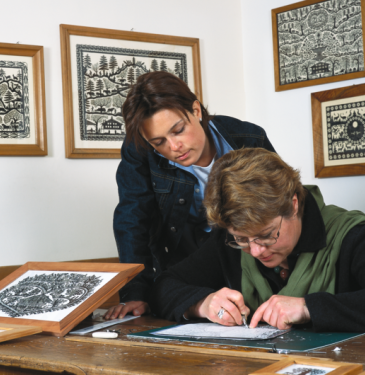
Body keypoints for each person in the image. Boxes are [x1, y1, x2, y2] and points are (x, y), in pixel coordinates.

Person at [153, 148, 365, 332]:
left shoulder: (353, 235)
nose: (255, 250)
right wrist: (203, 304)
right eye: (241, 239)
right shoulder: (231, 241)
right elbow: (164, 286)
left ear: (294, 204)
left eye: (267, 235)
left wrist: (307, 307)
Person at [106, 72, 275, 320]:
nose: (174, 147)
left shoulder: (249, 138)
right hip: (180, 265)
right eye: (159, 142)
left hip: (243, 257)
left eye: (178, 130)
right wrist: (135, 293)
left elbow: (279, 205)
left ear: (196, 110)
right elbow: (132, 217)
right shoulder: (139, 151)